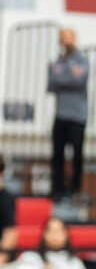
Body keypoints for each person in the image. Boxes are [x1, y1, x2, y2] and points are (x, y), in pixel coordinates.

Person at [48, 27, 89, 201]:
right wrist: (67, 76)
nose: (64, 40)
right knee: (57, 153)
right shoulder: (56, 61)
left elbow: (78, 81)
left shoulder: (82, 59)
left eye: (67, 36)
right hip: (60, 115)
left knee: (77, 155)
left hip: (77, 116)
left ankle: (75, 189)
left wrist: (61, 77)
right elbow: (51, 85)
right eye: (61, 37)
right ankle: (57, 189)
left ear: (74, 38)